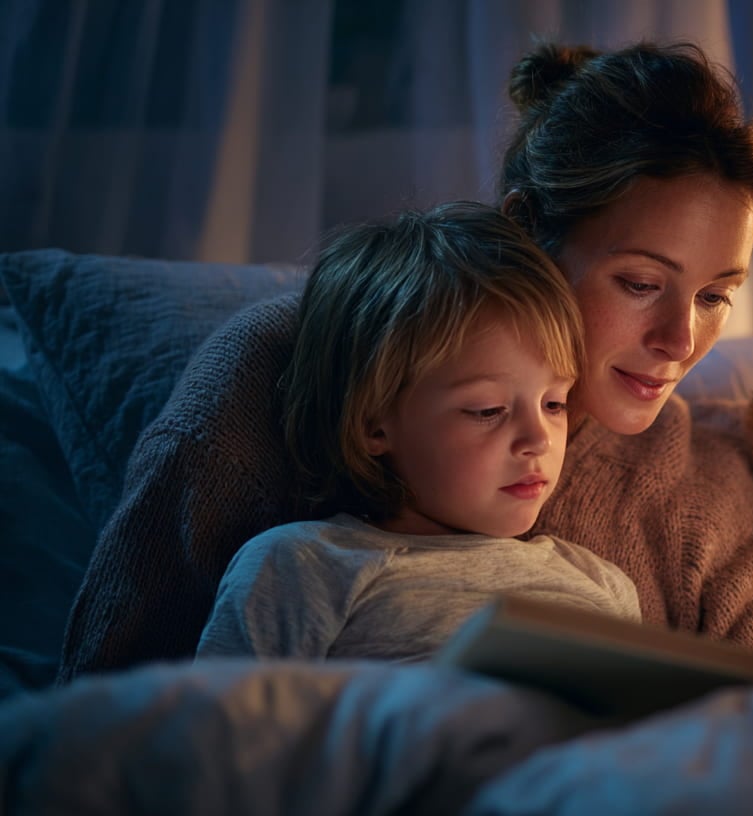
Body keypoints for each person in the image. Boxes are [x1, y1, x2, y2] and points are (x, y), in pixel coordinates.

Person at [58, 40, 753, 682]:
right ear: (530, 232)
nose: (680, 344)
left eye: (714, 297)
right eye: (638, 283)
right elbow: (111, 705)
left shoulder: (691, 480)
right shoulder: (284, 367)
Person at [195, 202, 639, 661]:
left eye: (554, 404)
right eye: (488, 410)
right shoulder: (304, 567)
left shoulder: (600, 583)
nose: (539, 439)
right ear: (372, 423)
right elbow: (230, 724)